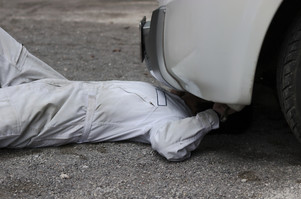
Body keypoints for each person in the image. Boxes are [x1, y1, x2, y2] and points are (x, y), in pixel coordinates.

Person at [0, 27, 227, 161]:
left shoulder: (173, 119)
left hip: (58, 112)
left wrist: (214, 117)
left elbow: (169, 145)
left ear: (200, 103)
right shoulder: (171, 99)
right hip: (63, 87)